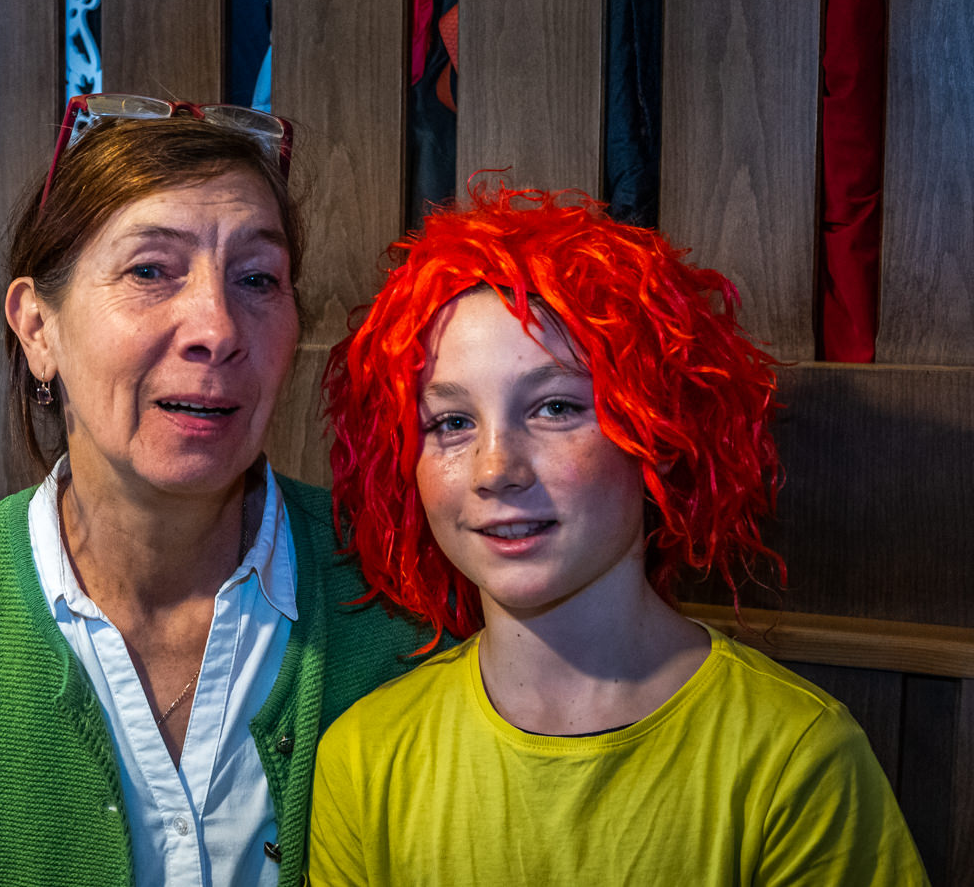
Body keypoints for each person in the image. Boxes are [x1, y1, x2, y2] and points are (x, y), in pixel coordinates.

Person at [0, 94, 432, 887]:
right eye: (150, 270)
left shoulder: (395, 593)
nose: (218, 328)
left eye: (257, 278)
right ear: (38, 327)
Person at [309, 187, 927, 884]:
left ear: (656, 431)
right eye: (451, 422)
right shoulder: (365, 758)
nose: (495, 469)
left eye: (554, 408)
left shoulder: (793, 758)